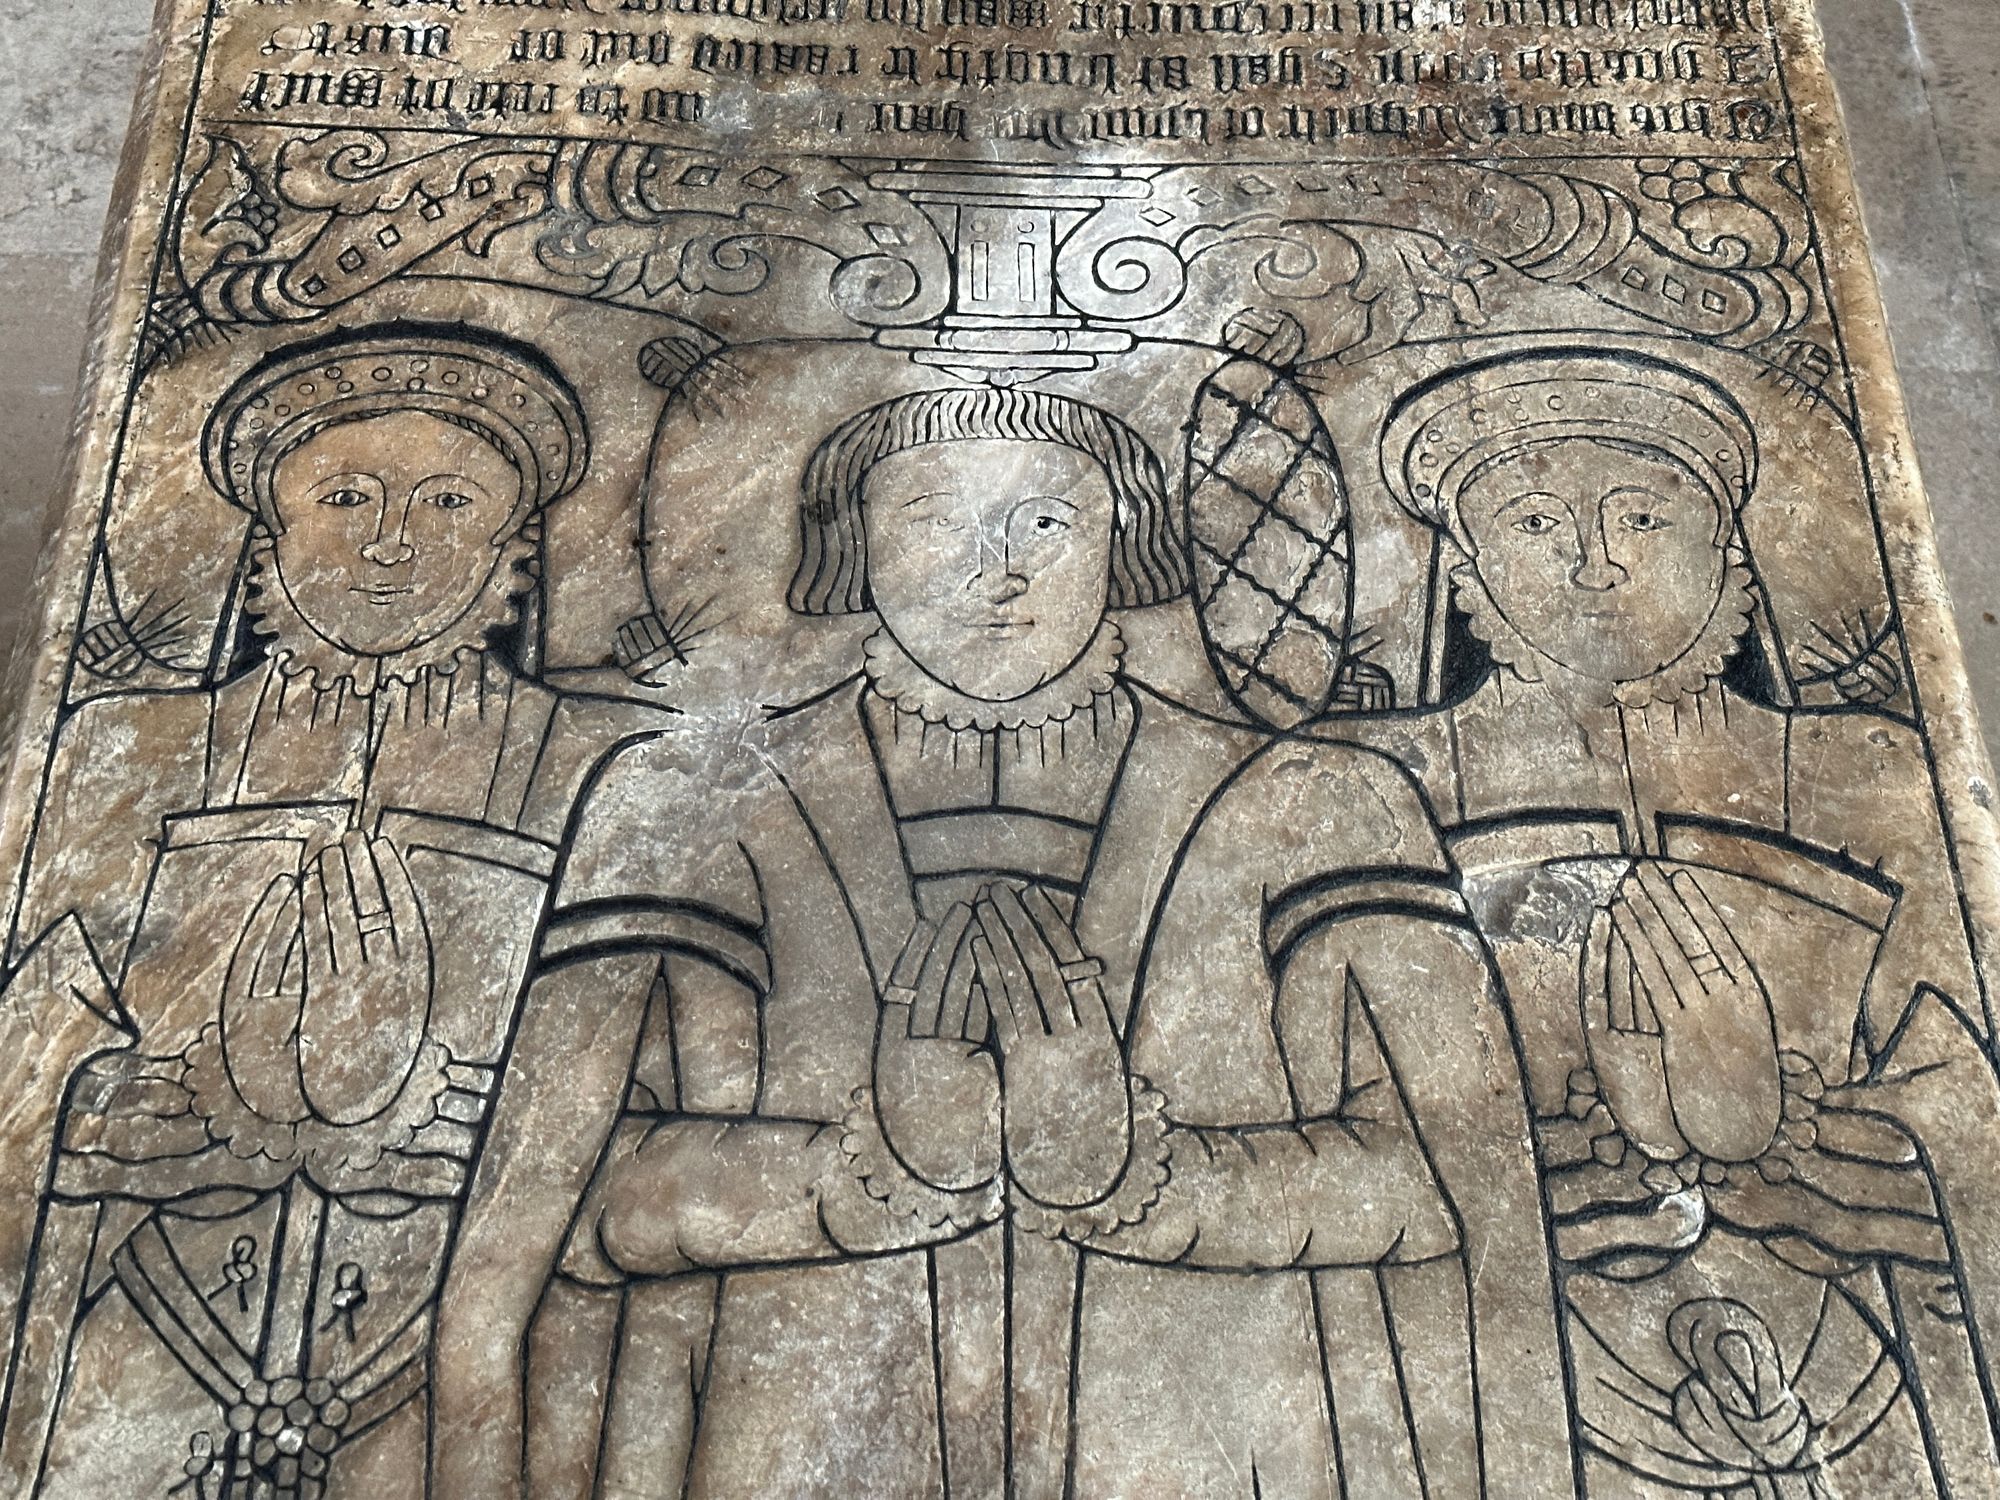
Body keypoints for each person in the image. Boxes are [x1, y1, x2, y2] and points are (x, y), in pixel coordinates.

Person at [434, 384, 1575, 1499]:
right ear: (853, 548)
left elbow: (1464, 1203)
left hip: (1206, 1437)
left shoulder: (1318, 801)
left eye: (1047, 520)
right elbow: (541, 1229)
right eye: (935, 519)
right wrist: (861, 1177)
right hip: (804, 1442)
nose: (999, 567)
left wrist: (1139, 1178)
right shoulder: (685, 800)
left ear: (1123, 545)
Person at [0, 323, 665, 1500]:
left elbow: (679, 1075)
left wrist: (525, 1132)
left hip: (436, 1354)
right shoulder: (135, 745)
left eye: (450, 502)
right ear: (271, 537)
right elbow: (31, 1025)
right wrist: (88, 1106)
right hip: (146, 1321)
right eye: (346, 498)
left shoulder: (596, 763)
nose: (393, 541)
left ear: (514, 546)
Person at [1340, 347, 2000, 1498]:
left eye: (1640, 515)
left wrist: (1844, 1152)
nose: (1594, 560)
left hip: (1851, 1361)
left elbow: (1964, 1081)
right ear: (1467, 571)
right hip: (1501, 1392)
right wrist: (1489, 1183)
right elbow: (1310, 1103)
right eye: (1535, 521)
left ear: (1727, 549)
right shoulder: (1381, 786)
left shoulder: (1858, 772)